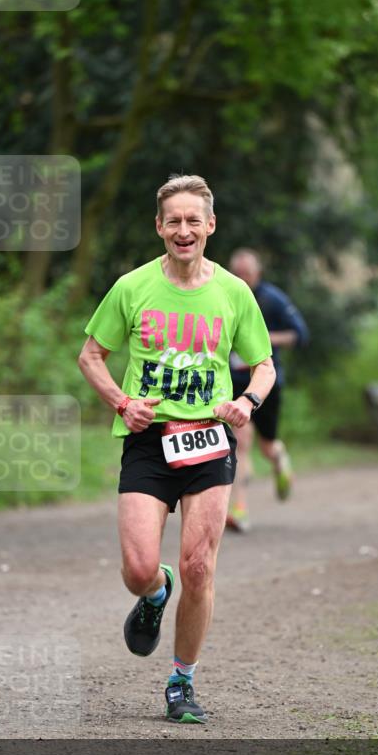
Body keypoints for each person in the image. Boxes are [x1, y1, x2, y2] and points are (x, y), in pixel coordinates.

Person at [78, 175, 274, 723]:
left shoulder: (234, 292)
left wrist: (247, 402)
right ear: (159, 227)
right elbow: (91, 356)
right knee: (139, 569)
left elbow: (264, 364)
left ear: (210, 226)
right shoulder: (132, 287)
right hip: (149, 442)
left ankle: (181, 682)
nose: (183, 230)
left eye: (194, 220)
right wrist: (121, 401)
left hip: (210, 442)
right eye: (174, 221)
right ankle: (155, 594)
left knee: (199, 566)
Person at [226, 248, 309, 532]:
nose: (242, 278)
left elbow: (300, 334)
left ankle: (279, 458)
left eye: (247, 273)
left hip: (265, 381)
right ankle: (239, 508)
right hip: (232, 381)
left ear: (257, 273)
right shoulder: (222, 295)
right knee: (240, 440)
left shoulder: (271, 299)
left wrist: (261, 338)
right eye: (237, 274)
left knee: (266, 444)